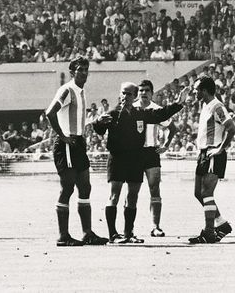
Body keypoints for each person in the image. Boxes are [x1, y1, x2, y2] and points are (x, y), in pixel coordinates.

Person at [93, 82, 185, 244]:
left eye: (129, 94)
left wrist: (178, 104)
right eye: (123, 93)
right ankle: (113, 235)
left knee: (133, 197)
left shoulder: (141, 114)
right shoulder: (112, 114)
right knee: (114, 196)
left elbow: (161, 114)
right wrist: (98, 121)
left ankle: (129, 234)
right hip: (117, 159)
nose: (125, 97)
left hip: (136, 159)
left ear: (134, 96)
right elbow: (99, 130)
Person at [46, 56, 108, 246]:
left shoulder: (81, 92)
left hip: (79, 142)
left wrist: (96, 122)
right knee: (68, 187)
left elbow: (76, 120)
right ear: (72, 72)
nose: (83, 72)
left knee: (85, 186)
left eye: (86, 69)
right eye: (80, 69)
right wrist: (63, 136)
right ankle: (63, 236)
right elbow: (50, 112)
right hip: (67, 144)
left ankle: (87, 232)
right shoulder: (67, 90)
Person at [189, 75, 235, 244]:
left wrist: (220, 148)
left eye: (196, 89)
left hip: (213, 153)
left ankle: (209, 231)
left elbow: (232, 128)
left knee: (207, 193)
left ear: (204, 90)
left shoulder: (217, 106)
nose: (194, 92)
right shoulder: (206, 106)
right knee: (198, 193)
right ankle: (222, 224)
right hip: (203, 153)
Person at [133, 80, 177, 237]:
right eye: (141, 90)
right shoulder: (132, 109)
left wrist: (165, 145)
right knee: (133, 191)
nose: (143, 93)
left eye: (146, 90)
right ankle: (129, 228)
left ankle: (155, 226)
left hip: (152, 153)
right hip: (135, 153)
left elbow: (173, 128)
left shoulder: (157, 110)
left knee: (154, 189)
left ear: (152, 93)